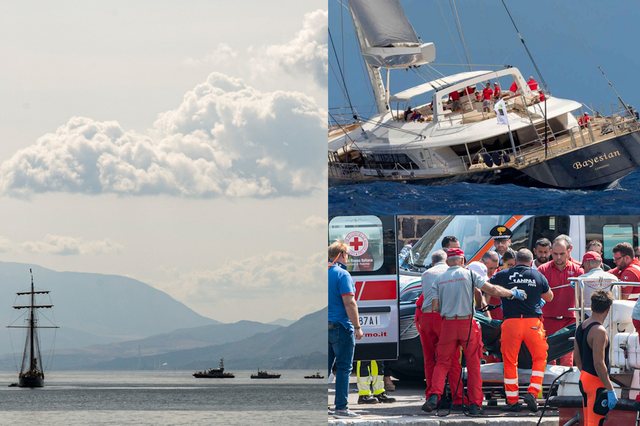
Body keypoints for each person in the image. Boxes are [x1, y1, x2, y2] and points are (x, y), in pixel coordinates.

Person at [421, 248, 527, 414]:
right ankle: (475, 405)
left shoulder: (439, 280)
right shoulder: (469, 274)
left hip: (448, 324)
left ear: (448, 261)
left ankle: (434, 395)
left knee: (442, 363)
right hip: (467, 324)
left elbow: (435, 306)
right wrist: (511, 293)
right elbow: (492, 290)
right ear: (462, 260)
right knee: (473, 365)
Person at [489, 249, 554, 412]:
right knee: (540, 358)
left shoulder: (503, 275)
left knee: (510, 361)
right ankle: (532, 392)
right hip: (533, 323)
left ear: (516, 261)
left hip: (511, 323)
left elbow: (489, 287)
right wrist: (538, 298)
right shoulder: (538, 275)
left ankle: (512, 401)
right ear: (531, 261)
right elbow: (549, 297)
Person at [416, 250, 464, 408]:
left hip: (425, 318)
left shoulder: (426, 274)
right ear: (447, 261)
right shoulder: (450, 273)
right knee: (451, 359)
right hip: (443, 318)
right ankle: (457, 397)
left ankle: (432, 395)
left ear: (432, 261)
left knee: (430, 359)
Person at [328, 241, 364, 419]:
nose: (348, 258)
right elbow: (349, 302)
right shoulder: (342, 274)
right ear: (341, 255)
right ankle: (341, 408)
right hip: (341, 326)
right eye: (347, 254)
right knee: (343, 368)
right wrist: (357, 327)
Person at [538, 236, 584, 366]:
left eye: (562, 254)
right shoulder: (542, 270)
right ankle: (548, 386)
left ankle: (565, 385)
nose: (558, 257)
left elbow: (584, 297)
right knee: (548, 358)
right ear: (551, 251)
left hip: (568, 320)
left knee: (567, 359)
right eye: (555, 254)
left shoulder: (578, 270)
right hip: (547, 319)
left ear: (569, 251)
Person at [574, 291, 618, 426]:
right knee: (596, 420)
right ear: (608, 309)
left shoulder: (581, 326)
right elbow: (599, 363)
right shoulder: (599, 331)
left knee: (589, 420)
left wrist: (585, 374)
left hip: (585, 378)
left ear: (592, 306)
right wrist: (610, 389)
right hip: (596, 381)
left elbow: (577, 358)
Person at [578, 251, 619, 317]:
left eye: (583, 266)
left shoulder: (581, 279)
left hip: (589, 317)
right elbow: (616, 299)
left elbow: (579, 302)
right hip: (610, 318)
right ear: (600, 263)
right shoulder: (613, 278)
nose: (583, 269)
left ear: (587, 264)